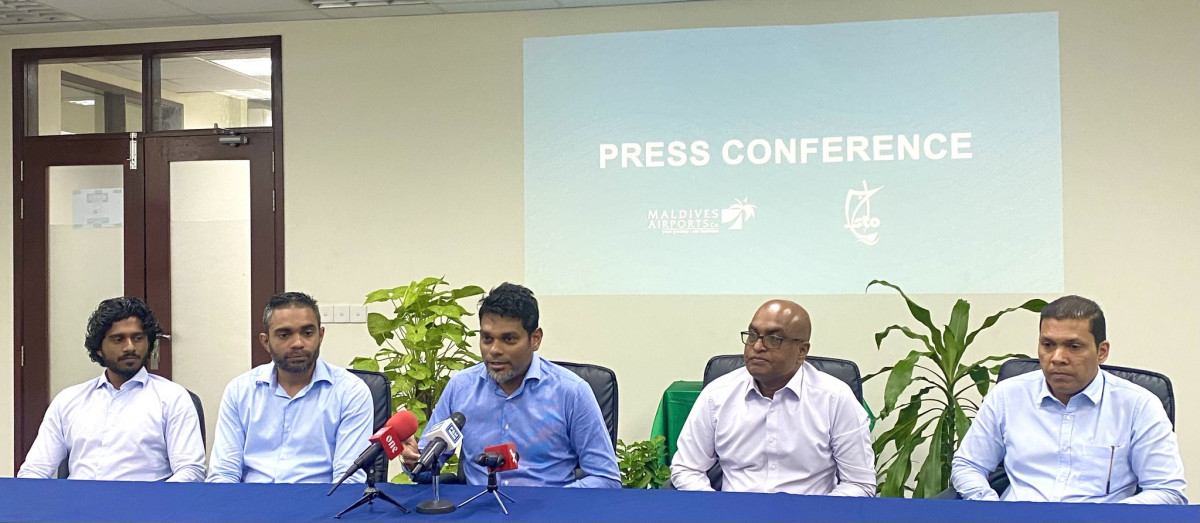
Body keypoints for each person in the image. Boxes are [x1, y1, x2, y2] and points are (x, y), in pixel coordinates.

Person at [951, 295, 1187, 503]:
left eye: (1074, 346)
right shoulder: (1007, 396)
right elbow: (968, 465)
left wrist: (1108, 517)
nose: (1057, 358)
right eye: (1048, 345)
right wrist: (994, 510)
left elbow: (1167, 490)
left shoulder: (1138, 406)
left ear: (1102, 351)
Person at [401, 282, 620, 488]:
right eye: (487, 339)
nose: (494, 350)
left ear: (535, 339)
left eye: (508, 339)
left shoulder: (571, 392)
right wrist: (414, 462)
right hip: (479, 507)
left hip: (548, 510)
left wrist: (552, 502)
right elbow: (426, 469)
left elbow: (605, 478)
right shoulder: (460, 387)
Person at [670, 299, 875, 496]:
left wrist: (817, 513)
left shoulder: (835, 399)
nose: (757, 346)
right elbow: (687, 468)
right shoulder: (717, 395)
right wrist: (717, 508)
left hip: (809, 512)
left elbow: (859, 483)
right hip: (734, 511)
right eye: (752, 335)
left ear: (801, 351)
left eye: (774, 339)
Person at [17, 297, 205, 481]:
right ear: (99, 348)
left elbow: (190, 471)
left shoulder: (172, 397)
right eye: (118, 339)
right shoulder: (68, 401)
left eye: (138, 338)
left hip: (147, 500)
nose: (130, 347)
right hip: (78, 500)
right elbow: (35, 470)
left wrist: (153, 500)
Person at [207, 291, 373, 483]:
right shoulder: (240, 391)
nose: (298, 343)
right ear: (266, 341)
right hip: (251, 498)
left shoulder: (350, 392)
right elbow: (224, 473)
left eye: (307, 333)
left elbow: (347, 479)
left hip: (318, 498)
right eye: (284, 335)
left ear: (320, 335)